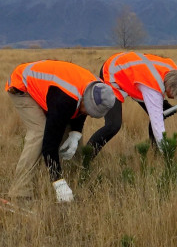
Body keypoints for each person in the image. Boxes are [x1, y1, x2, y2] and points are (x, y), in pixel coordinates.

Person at [6, 60, 115, 203]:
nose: (86, 113)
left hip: (52, 88)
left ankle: (75, 182)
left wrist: (75, 134)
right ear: (84, 99)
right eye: (87, 109)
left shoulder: (98, 89)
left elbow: (81, 112)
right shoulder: (64, 100)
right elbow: (49, 144)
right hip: (22, 85)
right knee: (40, 132)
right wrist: (58, 182)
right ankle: (20, 193)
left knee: (70, 133)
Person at [86, 51, 177, 158]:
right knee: (113, 125)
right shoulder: (152, 89)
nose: (175, 98)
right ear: (170, 87)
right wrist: (167, 154)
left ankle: (155, 155)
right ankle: (85, 157)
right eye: (175, 94)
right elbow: (157, 124)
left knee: (162, 112)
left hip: (132, 71)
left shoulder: (175, 71)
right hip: (112, 72)